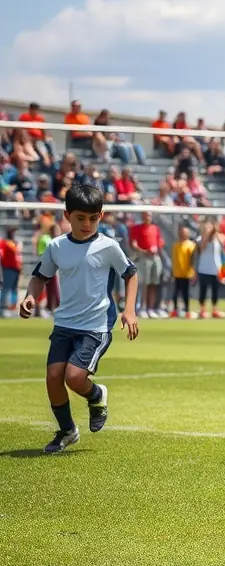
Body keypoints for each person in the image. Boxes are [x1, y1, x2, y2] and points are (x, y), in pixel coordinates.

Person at [18, 182, 139, 453]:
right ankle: (67, 431)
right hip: (64, 323)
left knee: (73, 377)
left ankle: (96, 395)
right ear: (66, 216)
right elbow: (40, 278)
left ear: (101, 215)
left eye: (93, 218)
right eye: (80, 218)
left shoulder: (108, 246)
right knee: (52, 377)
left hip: (95, 326)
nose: (87, 224)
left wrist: (129, 310)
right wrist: (29, 297)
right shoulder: (57, 246)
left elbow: (130, 274)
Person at [129, 211, 164, 318]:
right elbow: (133, 244)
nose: (147, 217)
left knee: (153, 283)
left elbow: (160, 243)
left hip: (155, 257)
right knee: (145, 283)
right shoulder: (136, 228)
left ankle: (151, 308)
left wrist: (156, 250)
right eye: (145, 215)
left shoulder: (155, 228)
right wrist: (145, 251)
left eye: (149, 215)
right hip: (144, 258)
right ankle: (142, 307)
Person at [196, 220, 225, 319]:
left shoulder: (218, 240)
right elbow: (201, 249)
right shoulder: (200, 239)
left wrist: (224, 272)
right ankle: (202, 310)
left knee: (215, 291)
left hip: (216, 269)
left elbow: (224, 255)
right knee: (203, 291)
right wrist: (206, 235)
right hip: (204, 269)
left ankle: (214, 310)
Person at [170, 224, 196, 319]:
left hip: (187, 273)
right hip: (177, 273)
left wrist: (193, 272)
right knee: (176, 292)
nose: (183, 234)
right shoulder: (176, 245)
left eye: (185, 233)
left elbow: (193, 260)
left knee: (186, 292)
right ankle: (175, 310)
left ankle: (187, 310)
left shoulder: (191, 245)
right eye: (181, 232)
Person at [1, 226, 23, 317]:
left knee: (14, 290)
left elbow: (18, 257)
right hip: (8, 268)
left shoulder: (16, 243)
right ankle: (3, 308)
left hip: (16, 269)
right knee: (6, 289)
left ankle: (13, 308)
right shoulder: (4, 243)